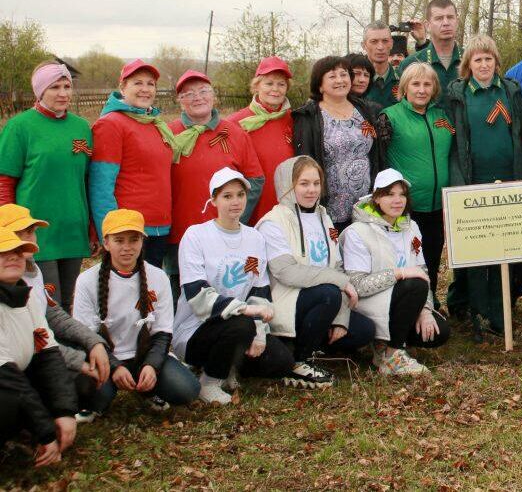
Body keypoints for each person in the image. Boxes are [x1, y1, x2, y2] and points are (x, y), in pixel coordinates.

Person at [174, 169, 293, 404]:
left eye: (240, 195)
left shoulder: (254, 238)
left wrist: (259, 331)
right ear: (214, 200)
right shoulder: (196, 236)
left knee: (281, 361)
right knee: (240, 325)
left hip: (243, 325)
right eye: (227, 196)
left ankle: (230, 365)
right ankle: (209, 381)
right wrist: (246, 312)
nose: (235, 202)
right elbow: (197, 295)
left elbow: (258, 288)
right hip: (196, 331)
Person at [72, 209, 199, 418]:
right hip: (105, 358)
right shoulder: (87, 281)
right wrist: (115, 367)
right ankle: (98, 397)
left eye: (134, 240)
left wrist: (152, 365)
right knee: (93, 397)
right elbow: (86, 336)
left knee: (187, 390)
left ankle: (148, 387)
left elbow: (163, 332)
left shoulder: (158, 277)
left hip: (144, 355)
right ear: (106, 243)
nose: (127, 248)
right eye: (119, 240)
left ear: (142, 241)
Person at [257, 160, 372, 388]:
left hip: (324, 301)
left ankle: (314, 341)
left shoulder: (323, 217)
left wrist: (340, 317)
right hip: (288, 303)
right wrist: (340, 283)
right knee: (328, 292)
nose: (311, 190)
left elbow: (336, 267)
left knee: (364, 331)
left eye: (316, 183)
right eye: (303, 183)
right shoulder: (273, 222)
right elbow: (286, 271)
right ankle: (299, 360)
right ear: (287, 185)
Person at [445, 35, 522, 332]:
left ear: (496, 62)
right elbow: (453, 143)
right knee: (476, 251)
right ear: (468, 64)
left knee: (504, 249)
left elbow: (521, 132)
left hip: (507, 181)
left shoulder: (510, 91)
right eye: (477, 59)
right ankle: (475, 309)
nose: (484, 64)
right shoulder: (458, 95)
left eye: (489, 59)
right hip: (473, 183)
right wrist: (459, 184)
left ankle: (499, 310)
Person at [0, 62, 93, 309]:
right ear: (39, 92)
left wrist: (92, 226)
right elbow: (5, 182)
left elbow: (86, 180)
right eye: (54, 87)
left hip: (73, 231)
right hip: (37, 233)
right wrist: (8, 230)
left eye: (67, 86)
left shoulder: (82, 127)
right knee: (50, 307)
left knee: (72, 306)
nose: (63, 93)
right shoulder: (20, 127)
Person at [4, 205, 110, 419]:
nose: (31, 239)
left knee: (89, 386)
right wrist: (79, 361)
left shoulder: (33, 270)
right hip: (12, 368)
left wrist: (94, 341)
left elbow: (53, 315)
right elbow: (30, 341)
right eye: (21, 233)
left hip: (37, 356)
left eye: (31, 232)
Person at [339, 170, 450, 374]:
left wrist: (425, 310)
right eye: (390, 194)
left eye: (402, 194)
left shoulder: (411, 227)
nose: (397, 200)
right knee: (413, 283)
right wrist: (399, 273)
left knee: (439, 332)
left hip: (404, 300)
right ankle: (392, 355)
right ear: (377, 198)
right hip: (369, 305)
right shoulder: (357, 232)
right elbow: (358, 285)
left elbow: (422, 270)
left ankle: (385, 344)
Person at [166, 70, 265, 295]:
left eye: (203, 91)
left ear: (213, 96)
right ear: (180, 101)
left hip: (225, 233)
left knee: (225, 289)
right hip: (180, 233)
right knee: (183, 293)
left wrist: (233, 215)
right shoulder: (169, 134)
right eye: (188, 93)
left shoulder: (235, 133)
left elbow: (255, 179)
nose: (197, 97)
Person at [380, 62, 455, 311]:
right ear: (404, 87)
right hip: (406, 207)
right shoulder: (389, 116)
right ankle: (405, 309)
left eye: (427, 84)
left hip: (438, 206)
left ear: (434, 88)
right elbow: (379, 161)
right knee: (408, 259)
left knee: (432, 257)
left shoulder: (442, 116)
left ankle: (429, 303)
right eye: (415, 84)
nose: (421, 90)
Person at [89, 59, 178, 269]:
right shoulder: (111, 124)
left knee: (150, 295)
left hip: (160, 227)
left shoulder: (155, 124)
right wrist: (111, 232)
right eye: (137, 83)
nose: (145, 89)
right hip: (130, 231)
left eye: (150, 84)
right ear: (122, 87)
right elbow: (101, 186)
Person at [0, 226, 77, 467]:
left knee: (77, 385)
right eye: (3, 252)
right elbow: (7, 376)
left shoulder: (27, 294)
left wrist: (65, 412)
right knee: (8, 402)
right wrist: (46, 432)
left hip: (15, 376)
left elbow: (49, 355)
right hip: (6, 380)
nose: (14, 256)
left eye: (19, 251)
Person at [292, 55, 387, 231]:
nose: (340, 80)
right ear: (319, 85)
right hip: (329, 208)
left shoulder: (364, 110)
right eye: (332, 76)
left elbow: (376, 155)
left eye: (344, 74)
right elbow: (304, 162)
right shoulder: (309, 117)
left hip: (365, 206)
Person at [229, 57, 296, 224]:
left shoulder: (295, 120)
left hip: (286, 207)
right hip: (251, 209)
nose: (275, 89)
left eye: (281, 84)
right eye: (269, 83)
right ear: (257, 85)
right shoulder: (236, 123)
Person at [396, 0, 462, 109]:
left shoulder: (472, 61)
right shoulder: (411, 63)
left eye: (450, 17)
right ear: (427, 25)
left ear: (457, 21)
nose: (446, 23)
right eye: (439, 18)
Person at [361, 21, 401, 108]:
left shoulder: (403, 79)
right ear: (364, 45)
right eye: (374, 41)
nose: (380, 47)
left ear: (391, 43)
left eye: (385, 41)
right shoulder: (354, 81)